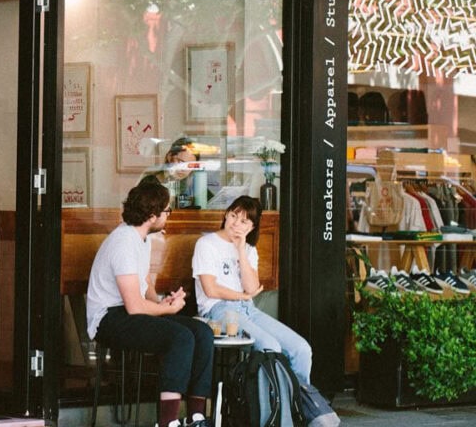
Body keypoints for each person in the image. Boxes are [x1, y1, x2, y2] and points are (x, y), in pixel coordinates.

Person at [86, 182, 213, 427]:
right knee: (180, 337)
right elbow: (134, 306)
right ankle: (168, 422)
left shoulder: (142, 239)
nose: (168, 217)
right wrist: (167, 310)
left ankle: (197, 416)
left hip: (129, 311)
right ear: (152, 216)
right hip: (109, 318)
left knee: (202, 332)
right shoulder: (123, 242)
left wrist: (162, 301)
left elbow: (144, 284)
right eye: (167, 211)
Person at [192, 195, 313, 384]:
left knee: (301, 349)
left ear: (252, 227)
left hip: (248, 309)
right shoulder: (207, 244)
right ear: (226, 214)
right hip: (219, 310)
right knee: (269, 346)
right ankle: (270, 410)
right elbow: (211, 289)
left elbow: (252, 287)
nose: (235, 224)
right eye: (233, 216)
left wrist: (240, 251)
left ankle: (297, 407)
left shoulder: (248, 249)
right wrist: (243, 295)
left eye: (244, 221)